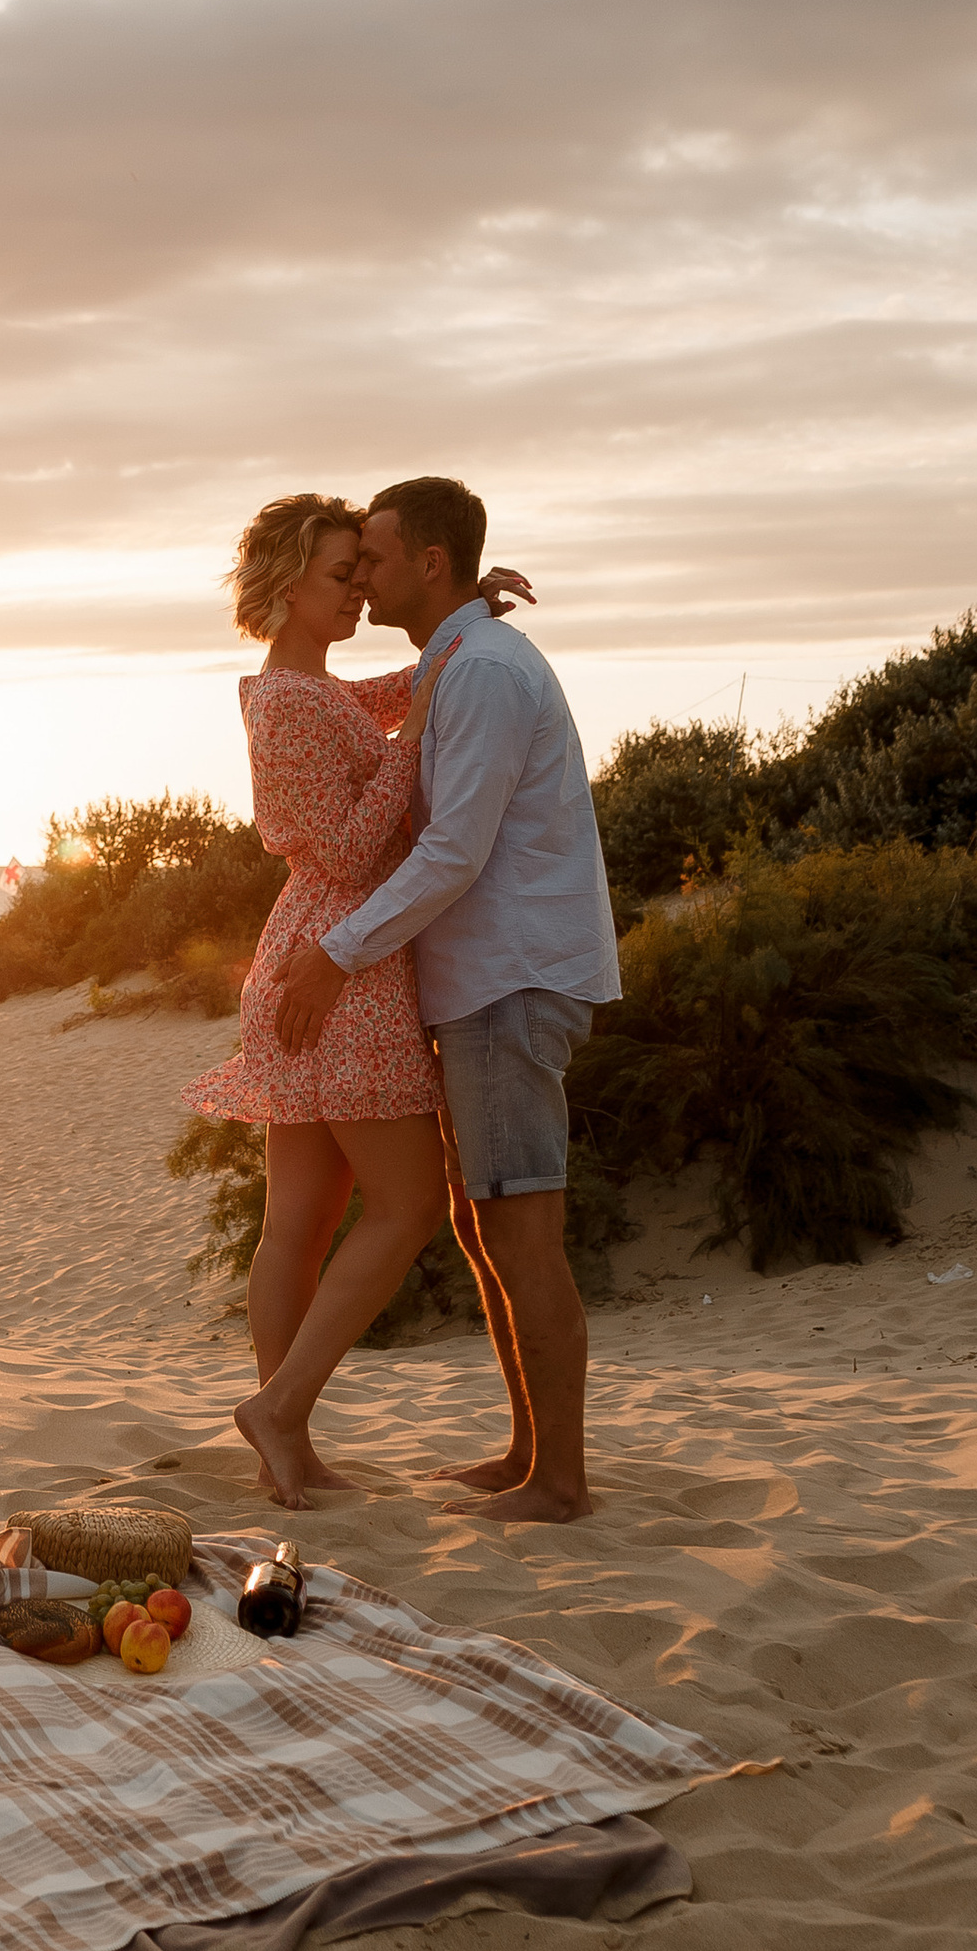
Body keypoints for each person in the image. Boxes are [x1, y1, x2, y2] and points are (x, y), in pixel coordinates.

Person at [270, 475, 621, 1525]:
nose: (361, 572)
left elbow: (452, 851)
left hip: (511, 983)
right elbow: (386, 704)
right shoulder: (457, 659)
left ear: (428, 562)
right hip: (480, 985)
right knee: (483, 1228)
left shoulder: (482, 674)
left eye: (371, 555)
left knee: (521, 1233)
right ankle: (526, 1456)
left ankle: (557, 1483)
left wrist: (334, 953)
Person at [179, 494, 531, 1510]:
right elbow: (349, 849)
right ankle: (281, 1415)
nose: (358, 589)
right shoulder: (288, 699)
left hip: (319, 955)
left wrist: (465, 624)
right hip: (341, 966)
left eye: (360, 570)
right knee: (410, 1202)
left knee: (299, 1218)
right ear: (289, 582)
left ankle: (281, 1445)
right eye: (342, 573)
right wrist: (417, 736)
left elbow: (379, 698)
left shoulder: (305, 688)